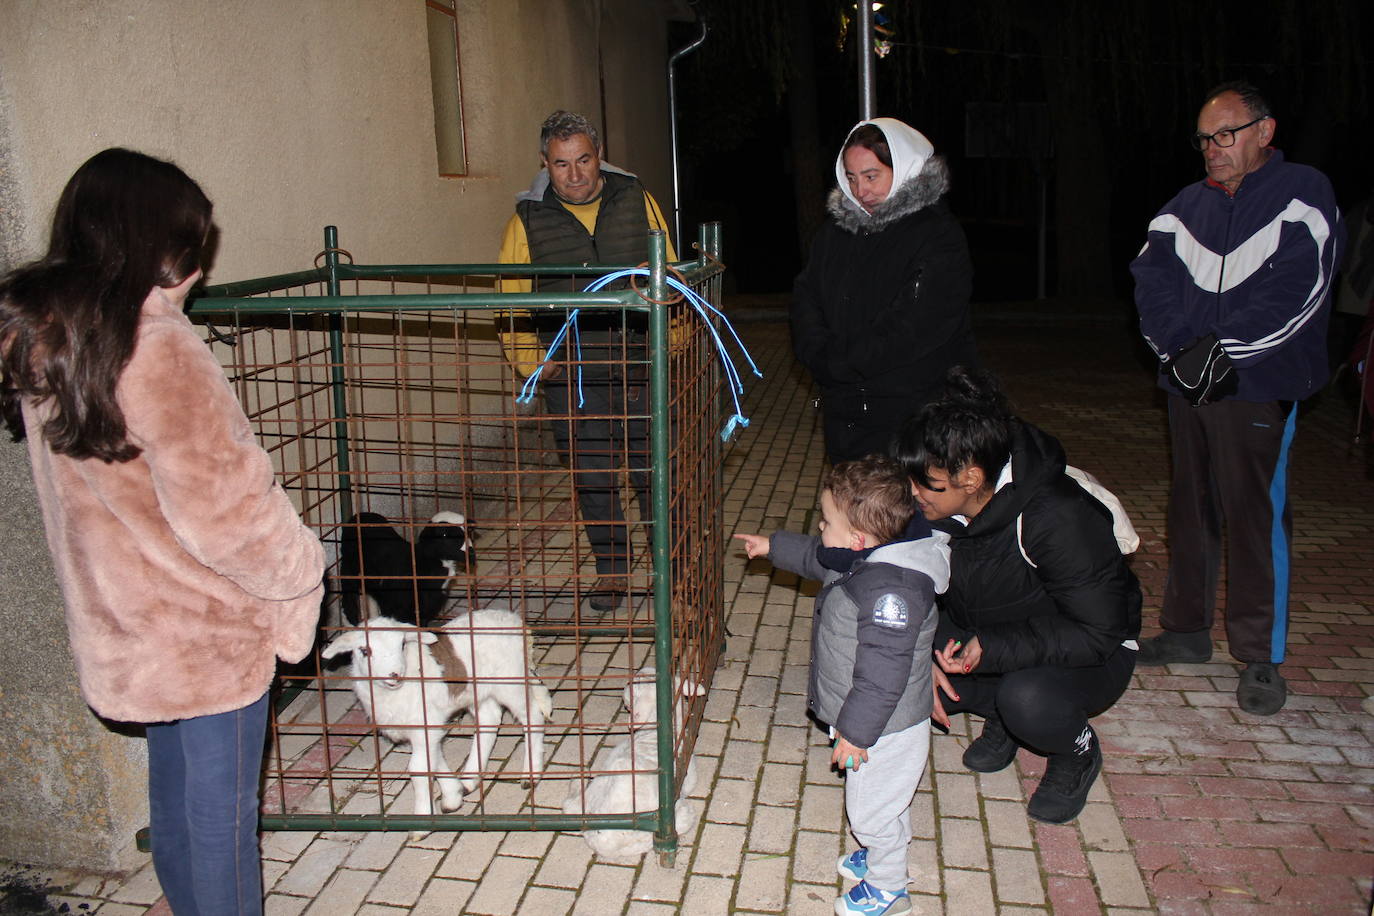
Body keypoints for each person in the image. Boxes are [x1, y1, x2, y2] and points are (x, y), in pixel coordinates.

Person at [0, 148, 325, 915]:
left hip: (131, 631)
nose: (198, 273)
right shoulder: (158, 347)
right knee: (221, 822)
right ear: (149, 245)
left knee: (177, 803)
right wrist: (304, 574)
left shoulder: (54, 345)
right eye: (187, 250)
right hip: (209, 636)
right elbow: (232, 513)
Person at [1130, 81, 1344, 715]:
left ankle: (1260, 656)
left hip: (1258, 386)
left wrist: (1221, 352)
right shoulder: (1181, 206)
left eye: (1225, 134)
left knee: (1254, 517)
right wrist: (1179, 353)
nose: (1212, 148)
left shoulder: (1303, 193)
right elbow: (1150, 283)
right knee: (1189, 510)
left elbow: (1299, 290)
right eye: (1204, 137)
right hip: (1187, 384)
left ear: (1264, 132)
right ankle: (1187, 630)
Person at [892, 367, 1141, 825]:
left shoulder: (1057, 516)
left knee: (1026, 700)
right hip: (993, 635)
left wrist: (993, 649)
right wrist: (921, 653)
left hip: (1090, 651)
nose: (912, 494)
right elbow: (908, 586)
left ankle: (1075, 753)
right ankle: (1003, 717)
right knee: (899, 676)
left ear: (970, 478)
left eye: (925, 483)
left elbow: (1098, 630)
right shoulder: (941, 504)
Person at [734, 456, 948, 916]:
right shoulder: (860, 552)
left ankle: (890, 887)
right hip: (870, 717)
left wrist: (855, 732)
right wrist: (773, 546)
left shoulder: (892, 591)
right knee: (881, 800)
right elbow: (818, 555)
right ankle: (880, 852)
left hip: (884, 726)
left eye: (825, 519)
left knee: (870, 811)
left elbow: (883, 673)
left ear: (857, 538)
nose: (819, 525)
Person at [497, 110, 676, 612]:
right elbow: (510, 295)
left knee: (655, 472)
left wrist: (673, 342)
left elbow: (673, 275)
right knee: (592, 477)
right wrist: (533, 360)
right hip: (570, 375)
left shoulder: (637, 199)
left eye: (583, 160)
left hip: (640, 364)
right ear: (544, 163)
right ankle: (613, 572)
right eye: (561, 164)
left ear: (599, 155)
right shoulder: (525, 219)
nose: (575, 175)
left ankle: (672, 571)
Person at [791, 117, 976, 464]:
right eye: (851, 178)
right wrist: (816, 352)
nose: (861, 191)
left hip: (914, 421)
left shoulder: (936, 235)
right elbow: (807, 296)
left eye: (871, 176)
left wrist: (841, 362)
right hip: (845, 412)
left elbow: (914, 324)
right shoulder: (837, 233)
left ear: (904, 168)